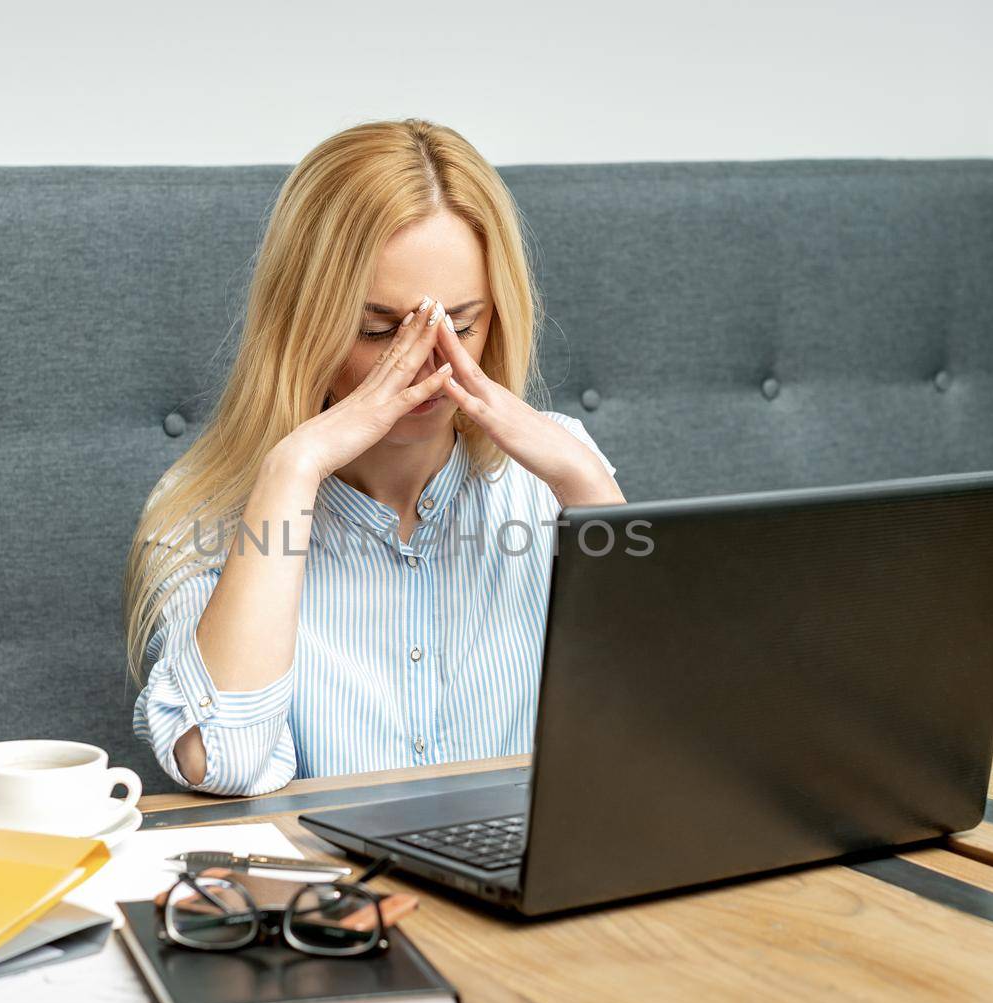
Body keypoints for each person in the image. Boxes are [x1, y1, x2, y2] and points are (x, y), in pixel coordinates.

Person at [124, 117, 624, 796]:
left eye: (463, 325)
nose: (424, 362)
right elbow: (226, 761)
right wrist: (292, 470)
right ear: (306, 325)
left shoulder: (557, 471)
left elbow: (671, 729)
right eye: (379, 330)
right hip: (338, 896)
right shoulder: (202, 509)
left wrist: (586, 482)